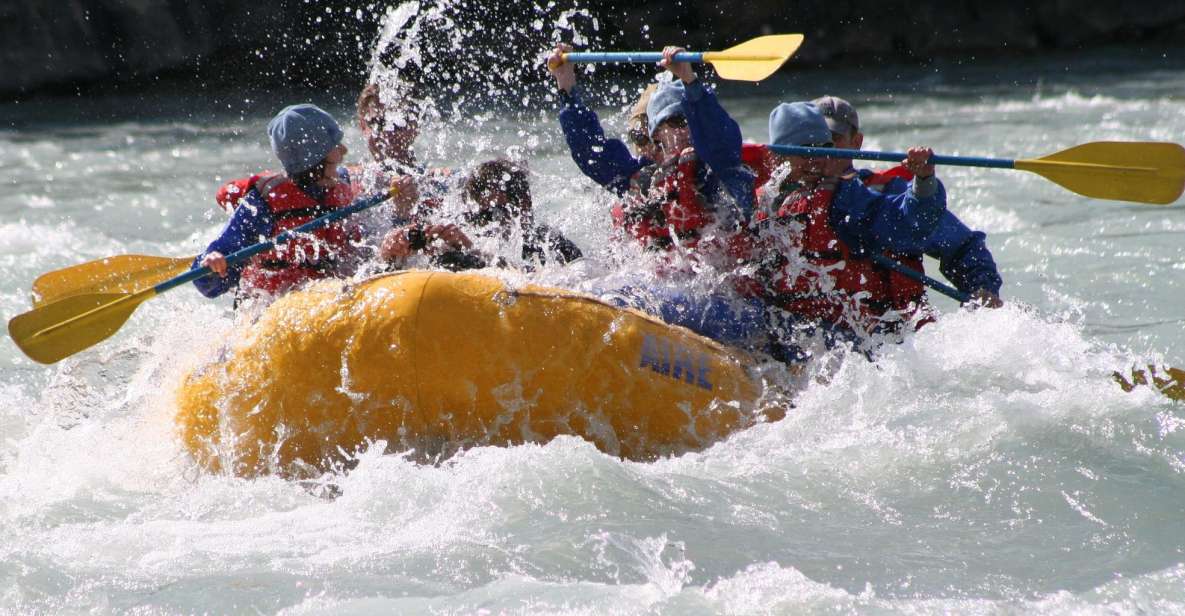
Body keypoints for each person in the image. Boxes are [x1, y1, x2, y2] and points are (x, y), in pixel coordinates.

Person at [746, 102, 948, 360]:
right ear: (778, 157)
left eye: (823, 149)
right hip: (786, 324)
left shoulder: (846, 198)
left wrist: (924, 182)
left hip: (846, 336)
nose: (815, 160)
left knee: (811, 341)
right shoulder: (761, 200)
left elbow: (907, 227)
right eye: (804, 152)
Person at [546, 44, 755, 251]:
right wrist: (566, 86)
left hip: (731, 272)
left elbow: (715, 132)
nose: (686, 131)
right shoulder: (645, 180)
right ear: (657, 135)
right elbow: (590, 152)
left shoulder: (721, 166)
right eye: (676, 123)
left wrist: (689, 80)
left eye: (690, 122)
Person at [195, 104, 414, 300]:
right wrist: (213, 265)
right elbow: (209, 285)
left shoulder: (346, 185)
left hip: (335, 296)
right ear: (315, 159)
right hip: (275, 306)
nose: (344, 151)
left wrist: (401, 211)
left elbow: (374, 251)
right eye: (335, 145)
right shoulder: (262, 204)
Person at [812, 95, 1003, 307]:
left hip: (890, 330)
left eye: (832, 138)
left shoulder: (887, 193)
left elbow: (961, 247)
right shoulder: (776, 197)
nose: (820, 147)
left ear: (856, 142)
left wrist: (981, 288)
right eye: (812, 139)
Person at [462, 159, 582, 268]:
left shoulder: (553, 245)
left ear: (525, 204)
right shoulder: (469, 245)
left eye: (496, 212)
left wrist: (474, 251)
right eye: (481, 216)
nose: (489, 223)